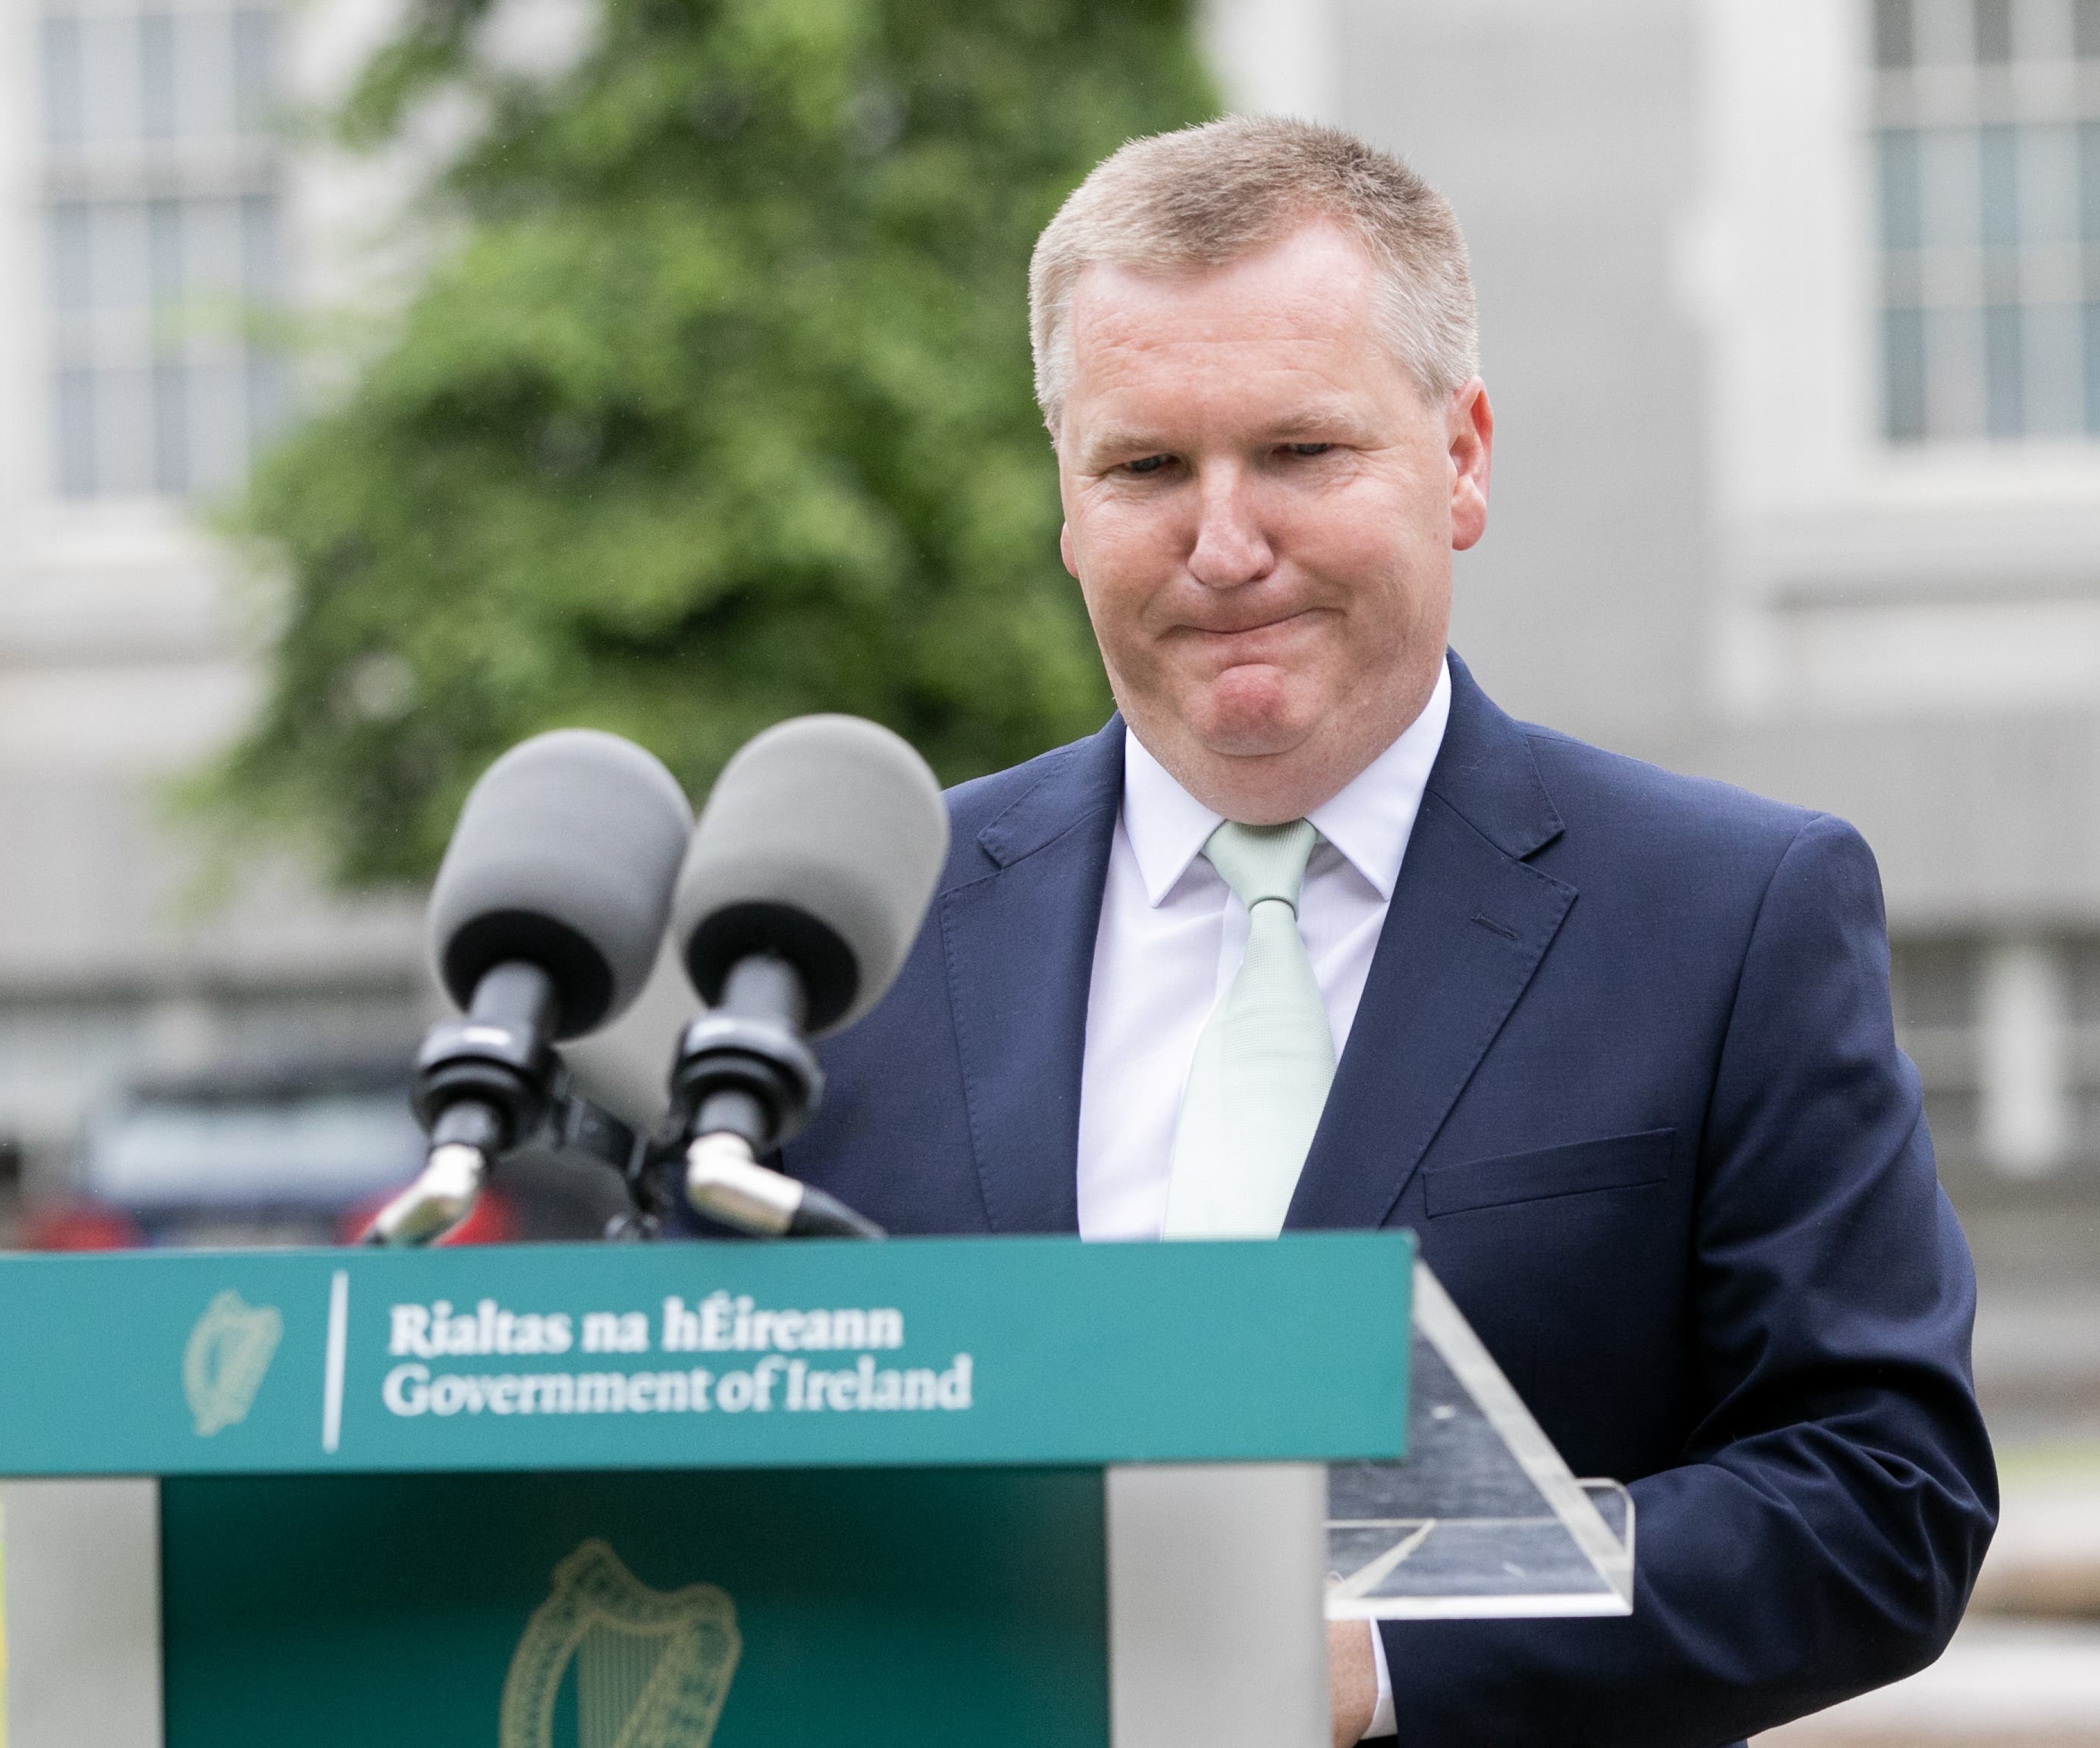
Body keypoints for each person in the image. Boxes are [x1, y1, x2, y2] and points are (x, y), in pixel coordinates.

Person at [763, 116, 1996, 1746]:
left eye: (1298, 452)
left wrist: (1373, 1655)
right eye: (1145, 468)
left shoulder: (1728, 917)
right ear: (1066, 503)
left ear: (1463, 454)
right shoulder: (854, 923)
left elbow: (1876, 1496)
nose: (1222, 545)